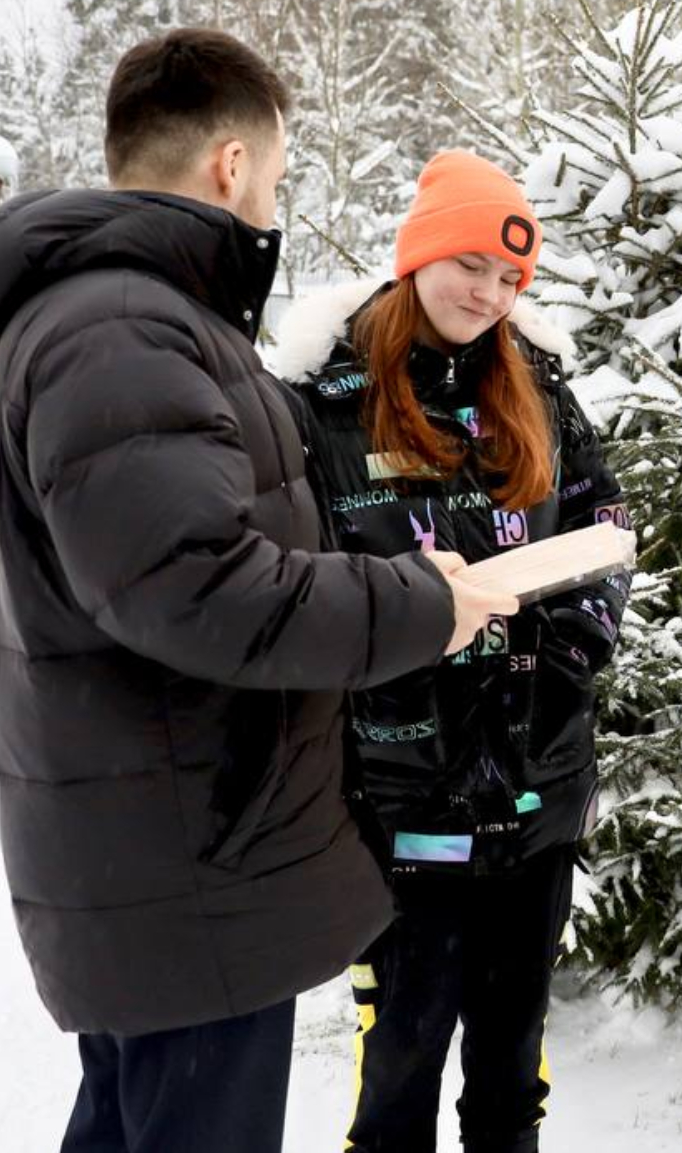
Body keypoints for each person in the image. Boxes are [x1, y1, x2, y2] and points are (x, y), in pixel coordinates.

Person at [0, 28, 516, 1153]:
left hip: (172, 856)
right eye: (279, 173)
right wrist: (416, 605)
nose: (273, 200)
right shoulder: (120, 328)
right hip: (187, 863)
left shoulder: (126, 320)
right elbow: (195, 585)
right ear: (228, 165)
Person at [273, 148, 629, 1153]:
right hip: (398, 790)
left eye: (512, 278)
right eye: (471, 263)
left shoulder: (538, 386)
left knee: (512, 1065)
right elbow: (297, 577)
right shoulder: (322, 402)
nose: (489, 293)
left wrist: (570, 649)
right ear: (419, 253)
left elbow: (605, 518)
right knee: (401, 1061)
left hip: (536, 775)